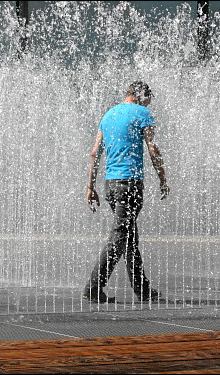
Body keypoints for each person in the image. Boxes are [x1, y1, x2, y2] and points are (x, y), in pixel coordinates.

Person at [83, 81, 170, 303]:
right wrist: (163, 178)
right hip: (130, 184)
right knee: (120, 236)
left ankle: (142, 289)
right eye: (148, 99)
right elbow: (153, 148)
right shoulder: (142, 113)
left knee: (129, 237)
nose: (149, 104)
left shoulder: (108, 115)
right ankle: (93, 286)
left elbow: (95, 154)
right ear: (141, 96)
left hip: (111, 184)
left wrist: (90, 187)